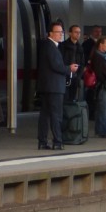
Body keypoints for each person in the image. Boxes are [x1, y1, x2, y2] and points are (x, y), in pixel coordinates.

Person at [37, 20, 76, 150]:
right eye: (58, 32)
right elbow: (56, 66)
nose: (61, 35)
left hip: (47, 87)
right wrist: (69, 68)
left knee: (45, 115)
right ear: (50, 33)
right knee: (56, 115)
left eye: (61, 32)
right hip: (54, 87)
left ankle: (42, 141)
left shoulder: (47, 46)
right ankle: (57, 142)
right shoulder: (50, 47)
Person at [60, 24, 86, 102]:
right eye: (76, 32)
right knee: (64, 99)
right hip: (65, 76)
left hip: (75, 78)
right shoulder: (63, 45)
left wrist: (79, 76)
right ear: (70, 33)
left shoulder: (80, 47)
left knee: (72, 99)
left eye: (79, 32)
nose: (78, 34)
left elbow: (82, 63)